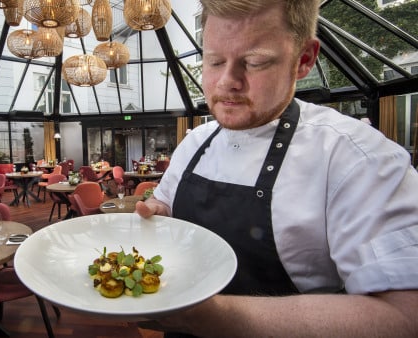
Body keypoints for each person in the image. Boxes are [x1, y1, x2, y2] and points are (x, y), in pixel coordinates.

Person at [135, 0, 418, 336]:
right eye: (213, 61)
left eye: (255, 62)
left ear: (304, 59)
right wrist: (159, 215)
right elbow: (166, 207)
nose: (227, 82)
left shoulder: (357, 157)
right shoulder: (196, 141)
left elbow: (404, 317)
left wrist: (213, 316)